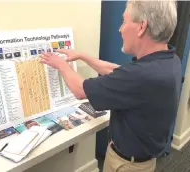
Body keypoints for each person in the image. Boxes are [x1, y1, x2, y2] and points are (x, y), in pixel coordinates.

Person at [40, 1, 181, 171]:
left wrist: (60, 64)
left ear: (141, 27)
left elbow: (79, 90)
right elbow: (117, 71)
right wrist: (83, 56)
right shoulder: (168, 60)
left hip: (126, 165)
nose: (120, 29)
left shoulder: (141, 75)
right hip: (144, 161)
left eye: (124, 21)